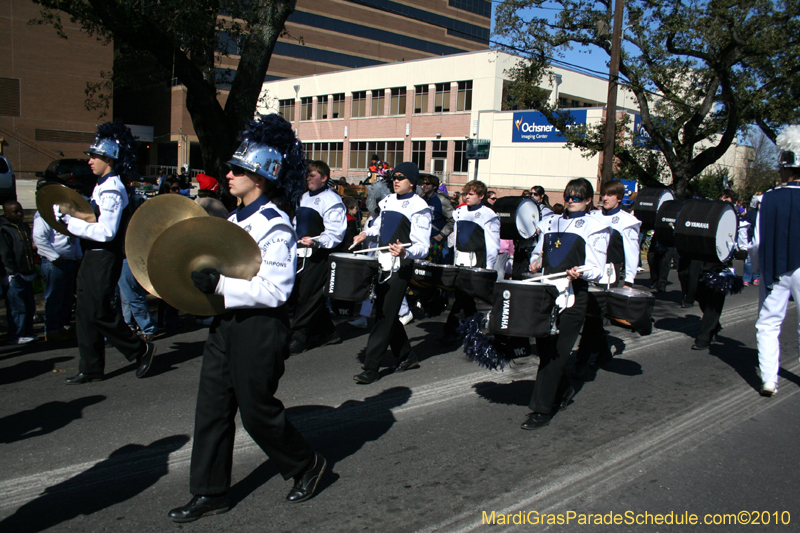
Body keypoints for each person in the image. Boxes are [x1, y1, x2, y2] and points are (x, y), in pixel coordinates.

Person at [168, 114, 326, 523]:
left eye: (238, 169)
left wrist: (219, 285)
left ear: (259, 177)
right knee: (213, 409)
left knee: (257, 411)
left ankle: (306, 464)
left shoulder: (275, 225)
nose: (229, 173)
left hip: (260, 326)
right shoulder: (234, 220)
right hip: (227, 324)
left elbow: (275, 290)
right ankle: (210, 491)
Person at [59, 120, 155, 384]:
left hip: (104, 255)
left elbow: (106, 232)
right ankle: (90, 367)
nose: (90, 160)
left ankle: (139, 349)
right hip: (93, 254)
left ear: (110, 159)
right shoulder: (101, 185)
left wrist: (71, 222)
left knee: (99, 310)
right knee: (86, 312)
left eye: (96, 156)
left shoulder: (112, 187)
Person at [522, 178, 610, 429]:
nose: (571, 200)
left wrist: (580, 272)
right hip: (547, 292)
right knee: (547, 350)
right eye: (568, 196)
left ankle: (541, 409)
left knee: (558, 353)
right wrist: (535, 262)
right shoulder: (551, 220)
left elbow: (597, 267)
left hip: (574, 294)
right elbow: (539, 251)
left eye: (578, 197)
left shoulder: (595, 225)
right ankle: (564, 389)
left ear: (588, 200)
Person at [350, 162, 431, 384]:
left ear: (412, 182)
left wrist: (406, 251)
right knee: (387, 311)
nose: (396, 181)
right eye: (394, 177)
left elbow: (423, 246)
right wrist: (365, 234)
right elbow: (379, 225)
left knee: (383, 316)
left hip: (400, 265)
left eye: (401, 178)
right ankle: (406, 356)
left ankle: (371, 367)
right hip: (382, 263)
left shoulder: (420, 207)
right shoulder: (387, 201)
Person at [750, 125, 800, 396]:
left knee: (768, 323)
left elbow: (757, 241)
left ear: (788, 168)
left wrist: (756, 268)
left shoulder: (767, 199)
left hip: (776, 269)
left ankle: (769, 379)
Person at [575, 180, 641, 373]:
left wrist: (629, 280)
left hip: (608, 273)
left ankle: (581, 361)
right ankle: (602, 352)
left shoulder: (627, 221)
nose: (605, 198)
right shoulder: (593, 215)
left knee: (594, 317)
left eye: (610, 195)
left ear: (619, 198)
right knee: (589, 315)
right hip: (588, 270)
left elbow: (632, 252)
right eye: (603, 194)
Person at [289, 160, 346, 355]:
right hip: (299, 253)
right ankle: (328, 331)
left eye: (312, 175)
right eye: (307, 175)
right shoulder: (304, 197)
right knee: (303, 293)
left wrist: (317, 242)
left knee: (308, 294)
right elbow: (297, 223)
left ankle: (299, 337)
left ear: (324, 178)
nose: (308, 178)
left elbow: (336, 232)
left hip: (318, 255)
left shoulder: (332, 200)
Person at [440, 180, 500, 344]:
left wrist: (488, 268)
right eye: (466, 193)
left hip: (476, 261)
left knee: (466, 297)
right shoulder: (459, 212)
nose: (467, 197)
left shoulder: (489, 214)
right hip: (461, 260)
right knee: (463, 297)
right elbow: (457, 238)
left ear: (481, 196)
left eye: (471, 194)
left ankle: (453, 330)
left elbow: (493, 244)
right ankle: (470, 329)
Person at [690, 188, 746, 351]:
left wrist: (741, 250)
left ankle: (704, 338)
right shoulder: (711, 215)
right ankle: (714, 325)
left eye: (727, 198)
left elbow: (741, 239)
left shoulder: (736, 219)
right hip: (703, 260)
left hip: (721, 264)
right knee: (699, 295)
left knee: (714, 302)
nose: (724, 199)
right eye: (722, 196)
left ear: (733, 201)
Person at [33, 192, 83, 342]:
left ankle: (62, 326)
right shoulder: (45, 214)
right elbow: (39, 238)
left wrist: (78, 256)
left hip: (69, 261)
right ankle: (53, 329)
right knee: (54, 297)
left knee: (67, 298)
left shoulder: (70, 215)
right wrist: (55, 257)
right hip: (54, 263)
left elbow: (75, 237)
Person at [0, 201, 38, 344]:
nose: (19, 214)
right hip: (15, 274)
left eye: (20, 210)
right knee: (17, 306)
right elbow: (5, 253)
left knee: (29, 305)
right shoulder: (4, 229)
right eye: (15, 212)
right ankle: (16, 334)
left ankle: (27, 331)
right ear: (7, 214)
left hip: (27, 272)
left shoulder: (23, 226)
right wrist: (12, 272)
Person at [420, 174, 454, 264]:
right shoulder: (421, 199)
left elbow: (453, 219)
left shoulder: (442, 200)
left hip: (435, 240)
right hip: (421, 238)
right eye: (423, 183)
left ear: (434, 186)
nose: (424, 185)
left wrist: (442, 234)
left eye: (428, 184)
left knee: (432, 267)